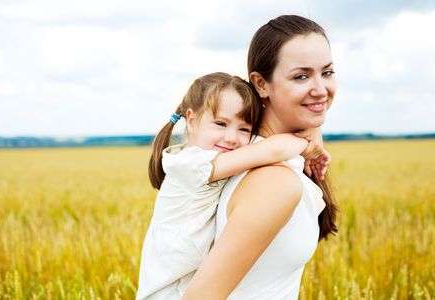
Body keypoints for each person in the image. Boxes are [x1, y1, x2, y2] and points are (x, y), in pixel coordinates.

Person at [183, 15, 339, 299]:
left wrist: (312, 134)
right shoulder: (274, 180)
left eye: (327, 72)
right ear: (261, 84)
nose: (320, 89)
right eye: (301, 76)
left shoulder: (245, 151)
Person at [136, 72, 329, 300]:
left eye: (244, 129)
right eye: (220, 123)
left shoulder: (207, 159)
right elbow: (274, 149)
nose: (232, 138)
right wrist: (310, 139)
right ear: (192, 120)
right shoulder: (192, 164)